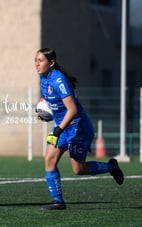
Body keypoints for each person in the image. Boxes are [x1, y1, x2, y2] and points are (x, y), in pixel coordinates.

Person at [34, 47, 124, 210]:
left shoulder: (59, 80)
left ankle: (111, 167)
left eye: (40, 61)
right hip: (62, 126)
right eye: (35, 60)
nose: (37, 64)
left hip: (77, 127)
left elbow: (73, 109)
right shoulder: (43, 77)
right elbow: (50, 99)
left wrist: (58, 129)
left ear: (51, 63)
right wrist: (44, 110)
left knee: (78, 169)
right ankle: (58, 201)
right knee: (49, 160)